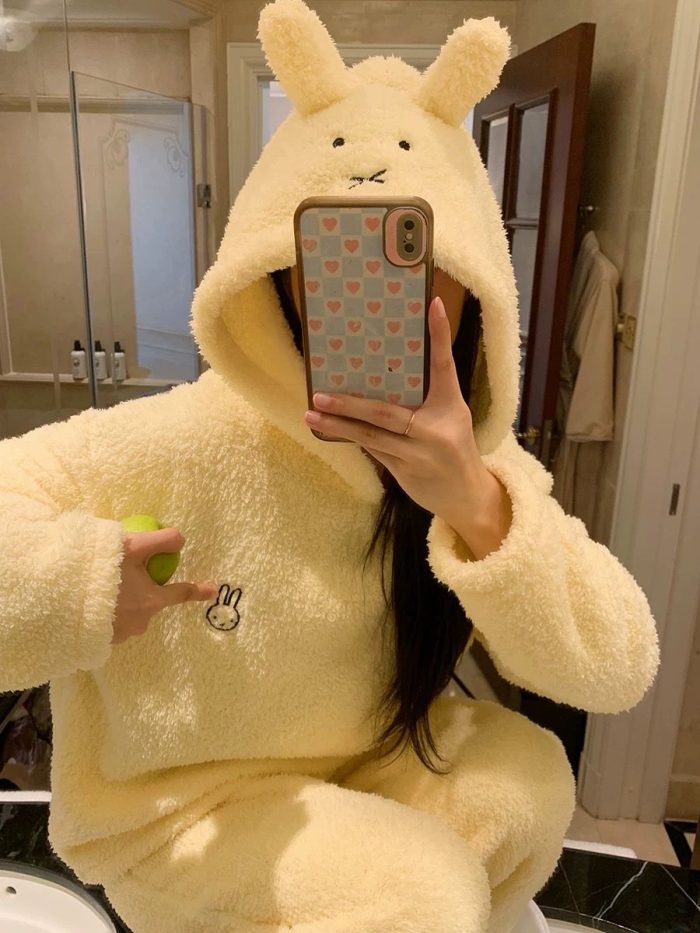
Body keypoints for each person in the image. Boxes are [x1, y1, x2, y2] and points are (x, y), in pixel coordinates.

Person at [0, 1, 659, 931]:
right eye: (334, 251)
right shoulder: (181, 440)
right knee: (414, 895)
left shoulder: (477, 463)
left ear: (475, 282)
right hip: (186, 807)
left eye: (412, 253)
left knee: (526, 786)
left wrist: (476, 503)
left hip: (362, 767)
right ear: (277, 268)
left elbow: (620, 664)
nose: (379, 297)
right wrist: (77, 585)